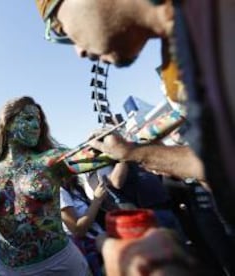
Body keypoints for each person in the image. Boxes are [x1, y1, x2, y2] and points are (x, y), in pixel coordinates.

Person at [33, 0, 235, 227]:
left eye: (60, 29)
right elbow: (219, 164)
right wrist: (133, 152)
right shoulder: (178, 58)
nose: (78, 51)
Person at [0, 96, 104, 275]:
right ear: (7, 123)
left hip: (63, 264)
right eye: (28, 118)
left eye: (38, 121)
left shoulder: (51, 160)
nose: (36, 126)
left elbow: (109, 154)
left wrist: (108, 142)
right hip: (12, 271)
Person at [60, 175, 106, 275]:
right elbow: (77, 231)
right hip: (90, 248)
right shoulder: (60, 193)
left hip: (101, 239)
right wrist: (97, 200)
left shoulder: (74, 185)